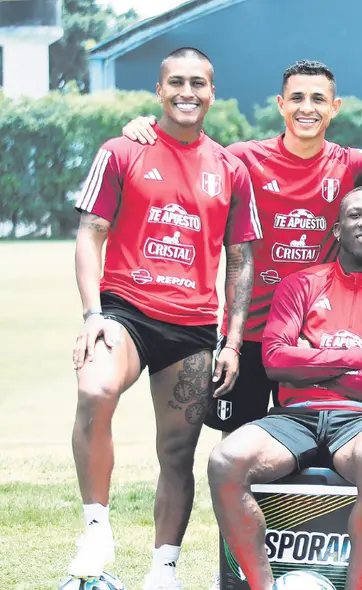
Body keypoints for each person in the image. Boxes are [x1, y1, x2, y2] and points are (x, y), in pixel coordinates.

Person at [119, 60, 362, 437]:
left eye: (318, 99)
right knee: (237, 447)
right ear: (281, 104)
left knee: (304, 450)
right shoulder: (242, 159)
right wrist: (147, 127)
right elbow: (189, 151)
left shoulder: (355, 164)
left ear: (335, 107)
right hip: (249, 334)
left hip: (310, 345)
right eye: (297, 98)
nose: (307, 107)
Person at [68, 47, 261, 589]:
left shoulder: (230, 168)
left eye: (198, 83)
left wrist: (233, 341)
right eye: (176, 82)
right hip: (125, 311)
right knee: (95, 392)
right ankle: (96, 529)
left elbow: (242, 259)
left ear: (212, 92)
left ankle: (164, 571)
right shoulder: (122, 150)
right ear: (159, 90)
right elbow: (90, 233)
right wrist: (91, 314)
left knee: (178, 454)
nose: (187, 92)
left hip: (193, 328)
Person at [206, 186, 362, 590]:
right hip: (296, 417)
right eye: (356, 215)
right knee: (225, 461)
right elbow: (275, 360)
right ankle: (263, 586)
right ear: (337, 229)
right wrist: (359, 359)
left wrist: (309, 361)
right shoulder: (300, 285)